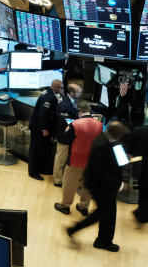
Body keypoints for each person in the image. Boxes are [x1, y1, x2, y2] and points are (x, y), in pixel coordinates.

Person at [66, 121, 130, 251]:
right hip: (99, 185)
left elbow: (116, 157)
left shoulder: (109, 138)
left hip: (105, 185)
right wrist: (120, 185)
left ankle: (102, 240)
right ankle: (85, 234)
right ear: (115, 133)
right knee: (105, 213)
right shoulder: (102, 144)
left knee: (106, 213)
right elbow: (100, 172)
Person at [54, 99, 101, 215]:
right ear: (89, 110)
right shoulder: (99, 124)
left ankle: (65, 205)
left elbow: (65, 139)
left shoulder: (75, 124)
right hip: (91, 160)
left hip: (76, 158)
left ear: (79, 111)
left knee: (69, 183)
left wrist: (66, 130)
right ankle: (84, 206)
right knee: (87, 184)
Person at [28, 78, 63, 180]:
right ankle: (33, 172)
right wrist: (44, 129)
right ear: (56, 88)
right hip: (38, 128)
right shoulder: (49, 97)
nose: (63, 90)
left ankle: (42, 168)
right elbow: (42, 115)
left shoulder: (50, 93)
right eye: (61, 88)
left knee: (43, 149)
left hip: (42, 127)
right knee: (35, 149)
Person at [52, 83, 81, 185]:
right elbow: (70, 122)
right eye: (78, 92)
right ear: (72, 93)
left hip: (67, 135)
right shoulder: (65, 105)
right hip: (64, 136)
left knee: (63, 157)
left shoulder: (70, 100)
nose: (80, 94)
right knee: (61, 158)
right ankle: (57, 180)